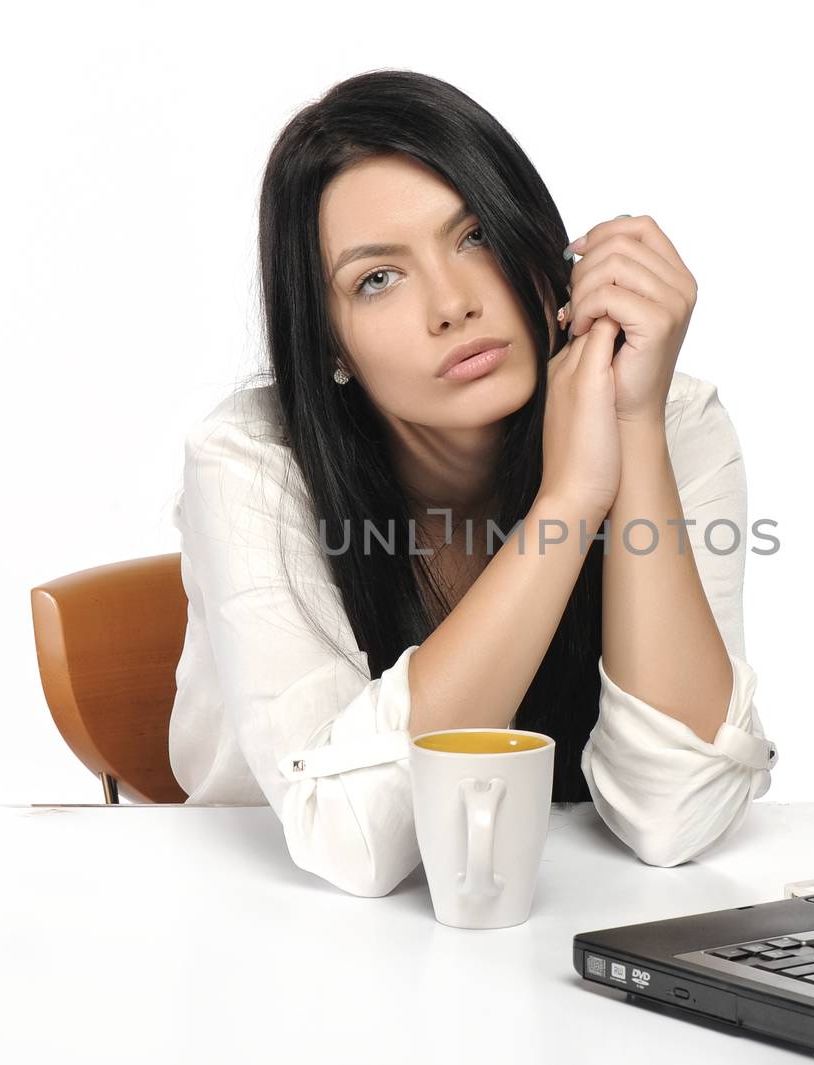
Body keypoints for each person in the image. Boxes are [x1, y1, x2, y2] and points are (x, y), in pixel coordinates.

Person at [167, 69, 777, 898]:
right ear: (329, 347)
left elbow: (676, 816)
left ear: (545, 249)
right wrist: (566, 506)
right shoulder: (249, 462)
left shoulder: (672, 420)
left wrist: (631, 431)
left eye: (477, 234)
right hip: (282, 938)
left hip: (554, 937)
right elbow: (351, 840)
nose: (452, 305)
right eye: (377, 278)